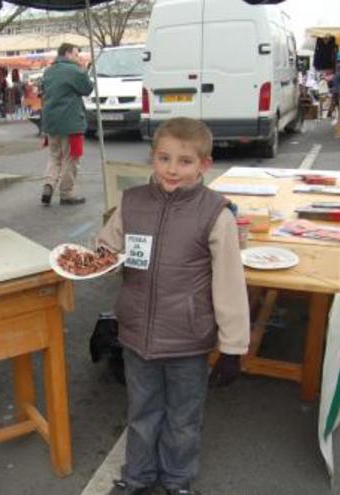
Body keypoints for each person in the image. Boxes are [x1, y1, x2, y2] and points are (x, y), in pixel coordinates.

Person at [96, 117, 250, 495]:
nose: (172, 169)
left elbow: (229, 283)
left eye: (184, 161)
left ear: (204, 165)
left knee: (183, 418)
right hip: (135, 334)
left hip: (188, 339)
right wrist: (100, 253)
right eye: (164, 158)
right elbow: (108, 244)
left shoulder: (216, 213)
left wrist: (233, 348)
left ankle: (177, 481)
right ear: (152, 158)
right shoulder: (132, 202)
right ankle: (137, 476)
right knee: (142, 412)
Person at [40, 42, 94, 206]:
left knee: (55, 157)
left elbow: (44, 92)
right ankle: (66, 193)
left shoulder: (48, 71)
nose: (78, 58)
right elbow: (87, 89)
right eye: (76, 54)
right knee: (72, 158)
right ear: (68, 54)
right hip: (70, 122)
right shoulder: (74, 70)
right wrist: (84, 71)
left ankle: (48, 184)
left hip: (51, 122)